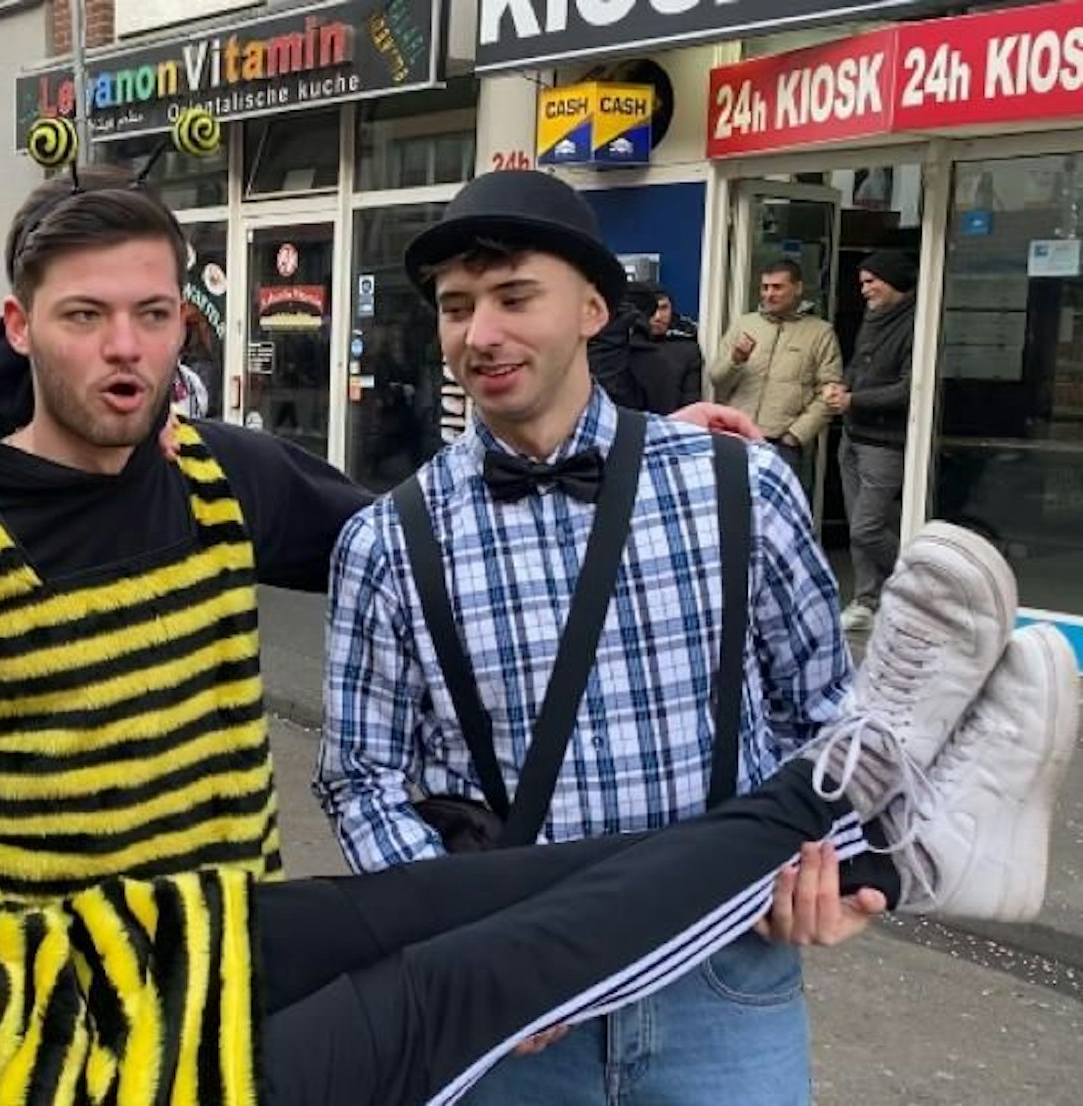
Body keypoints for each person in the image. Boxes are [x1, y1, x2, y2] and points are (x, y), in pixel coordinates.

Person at [0, 523, 1072, 1106]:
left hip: (151, 953)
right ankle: (844, 788)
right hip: (158, 1086)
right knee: (486, 975)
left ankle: (899, 836)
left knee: (503, 887)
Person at [316, 170, 869, 1106]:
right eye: (456, 307)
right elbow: (359, 776)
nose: (480, 334)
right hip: (512, 1014)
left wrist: (824, 863)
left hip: (725, 979)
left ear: (592, 308)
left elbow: (827, 715)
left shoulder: (738, 487)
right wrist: (465, 943)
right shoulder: (388, 541)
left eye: (514, 296)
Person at [0, 166, 374, 901]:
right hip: (29, 972)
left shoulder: (225, 476)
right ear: (19, 327)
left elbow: (415, 558)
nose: (125, 345)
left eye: (153, 314)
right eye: (84, 315)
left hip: (238, 963)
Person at [827, 251, 919, 635]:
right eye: (862, 282)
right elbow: (857, 364)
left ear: (893, 280)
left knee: (866, 529)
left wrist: (854, 400)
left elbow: (910, 388)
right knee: (858, 528)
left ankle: (923, 585)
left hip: (884, 443)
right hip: (853, 436)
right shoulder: (874, 317)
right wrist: (842, 386)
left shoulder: (917, 323)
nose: (864, 290)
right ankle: (867, 600)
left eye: (871, 282)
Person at [708, 260, 843, 470]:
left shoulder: (820, 332)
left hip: (781, 443)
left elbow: (829, 394)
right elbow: (717, 379)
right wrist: (736, 359)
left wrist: (796, 435)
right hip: (736, 435)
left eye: (777, 287)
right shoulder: (744, 324)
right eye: (765, 287)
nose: (769, 294)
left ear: (797, 288)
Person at [621, 280, 702, 415]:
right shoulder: (622, 343)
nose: (658, 317)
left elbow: (690, 403)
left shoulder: (687, 346)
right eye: (652, 309)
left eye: (663, 308)